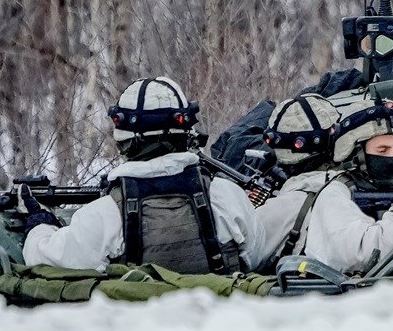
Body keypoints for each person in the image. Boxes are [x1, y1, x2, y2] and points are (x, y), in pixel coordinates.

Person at [22, 77, 266, 274]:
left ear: (125, 140)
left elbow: (42, 259)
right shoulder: (228, 196)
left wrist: (40, 223)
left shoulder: (104, 214)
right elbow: (256, 257)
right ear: (185, 132)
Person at [254, 94, 393, 274]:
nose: (391, 158)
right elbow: (361, 254)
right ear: (358, 153)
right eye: (382, 150)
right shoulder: (334, 192)